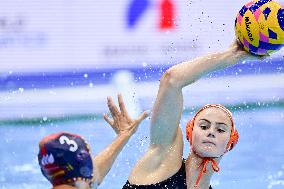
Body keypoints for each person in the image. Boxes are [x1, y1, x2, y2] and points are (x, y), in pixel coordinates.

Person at [122, 40, 262, 189]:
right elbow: (171, 80)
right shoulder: (163, 158)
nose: (211, 133)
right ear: (190, 132)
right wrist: (229, 56)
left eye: (220, 129)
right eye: (203, 126)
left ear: (230, 143)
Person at [38, 94, 148, 189]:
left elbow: (94, 175)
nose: (93, 164)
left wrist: (123, 135)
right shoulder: (82, 181)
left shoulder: (75, 181)